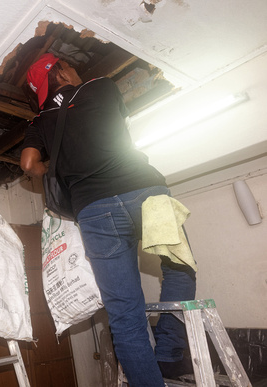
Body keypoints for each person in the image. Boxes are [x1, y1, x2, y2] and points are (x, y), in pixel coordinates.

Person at [20, 53, 197, 386]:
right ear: (60, 70)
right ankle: (169, 352)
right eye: (69, 66)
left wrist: (51, 168)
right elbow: (116, 126)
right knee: (180, 266)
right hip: (145, 192)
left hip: (94, 211)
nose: (74, 70)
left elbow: (29, 164)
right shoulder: (100, 87)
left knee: (125, 316)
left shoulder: (38, 120)